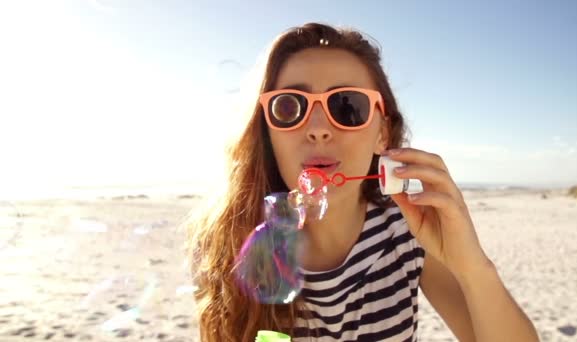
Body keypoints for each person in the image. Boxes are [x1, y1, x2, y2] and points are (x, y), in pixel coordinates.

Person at [185, 22, 539, 342]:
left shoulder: (408, 229)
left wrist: (472, 266)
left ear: (382, 134)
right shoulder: (227, 240)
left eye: (347, 106)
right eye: (289, 108)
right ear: (267, 132)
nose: (319, 129)